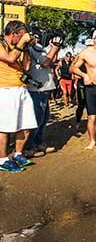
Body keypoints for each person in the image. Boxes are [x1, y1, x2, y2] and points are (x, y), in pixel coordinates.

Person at [0, 21, 38, 172]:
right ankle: (2, 160)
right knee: (4, 127)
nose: (23, 38)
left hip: (21, 89)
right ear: (14, 34)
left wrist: (27, 48)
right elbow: (9, 58)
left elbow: (26, 67)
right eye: (21, 35)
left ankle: (18, 154)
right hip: (5, 90)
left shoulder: (20, 47)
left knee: (26, 124)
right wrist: (22, 42)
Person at [24, 30, 62, 158]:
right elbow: (45, 62)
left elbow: (51, 62)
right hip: (36, 90)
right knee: (36, 120)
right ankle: (29, 147)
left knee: (44, 119)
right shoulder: (31, 48)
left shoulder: (41, 49)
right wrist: (55, 47)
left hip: (43, 89)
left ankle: (37, 143)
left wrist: (53, 48)